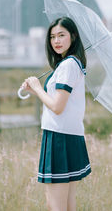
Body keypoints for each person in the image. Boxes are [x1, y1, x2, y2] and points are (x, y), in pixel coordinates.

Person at [21, 17, 91, 211]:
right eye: (52, 36)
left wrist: (37, 86)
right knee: (67, 204)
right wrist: (35, 91)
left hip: (59, 137)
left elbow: (57, 107)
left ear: (73, 37)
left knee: (56, 206)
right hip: (68, 135)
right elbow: (59, 102)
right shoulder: (70, 64)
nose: (56, 41)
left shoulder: (68, 65)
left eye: (62, 35)